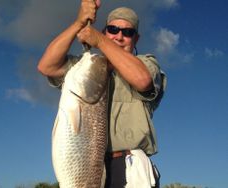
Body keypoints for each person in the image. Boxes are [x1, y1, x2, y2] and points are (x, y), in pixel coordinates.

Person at [38, 0, 166, 187]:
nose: (119, 36)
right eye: (113, 30)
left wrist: (98, 40)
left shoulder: (146, 63)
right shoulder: (88, 66)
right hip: (86, 164)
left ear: (136, 39)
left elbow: (143, 80)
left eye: (128, 32)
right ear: (106, 31)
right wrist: (79, 23)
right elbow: (47, 66)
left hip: (130, 166)